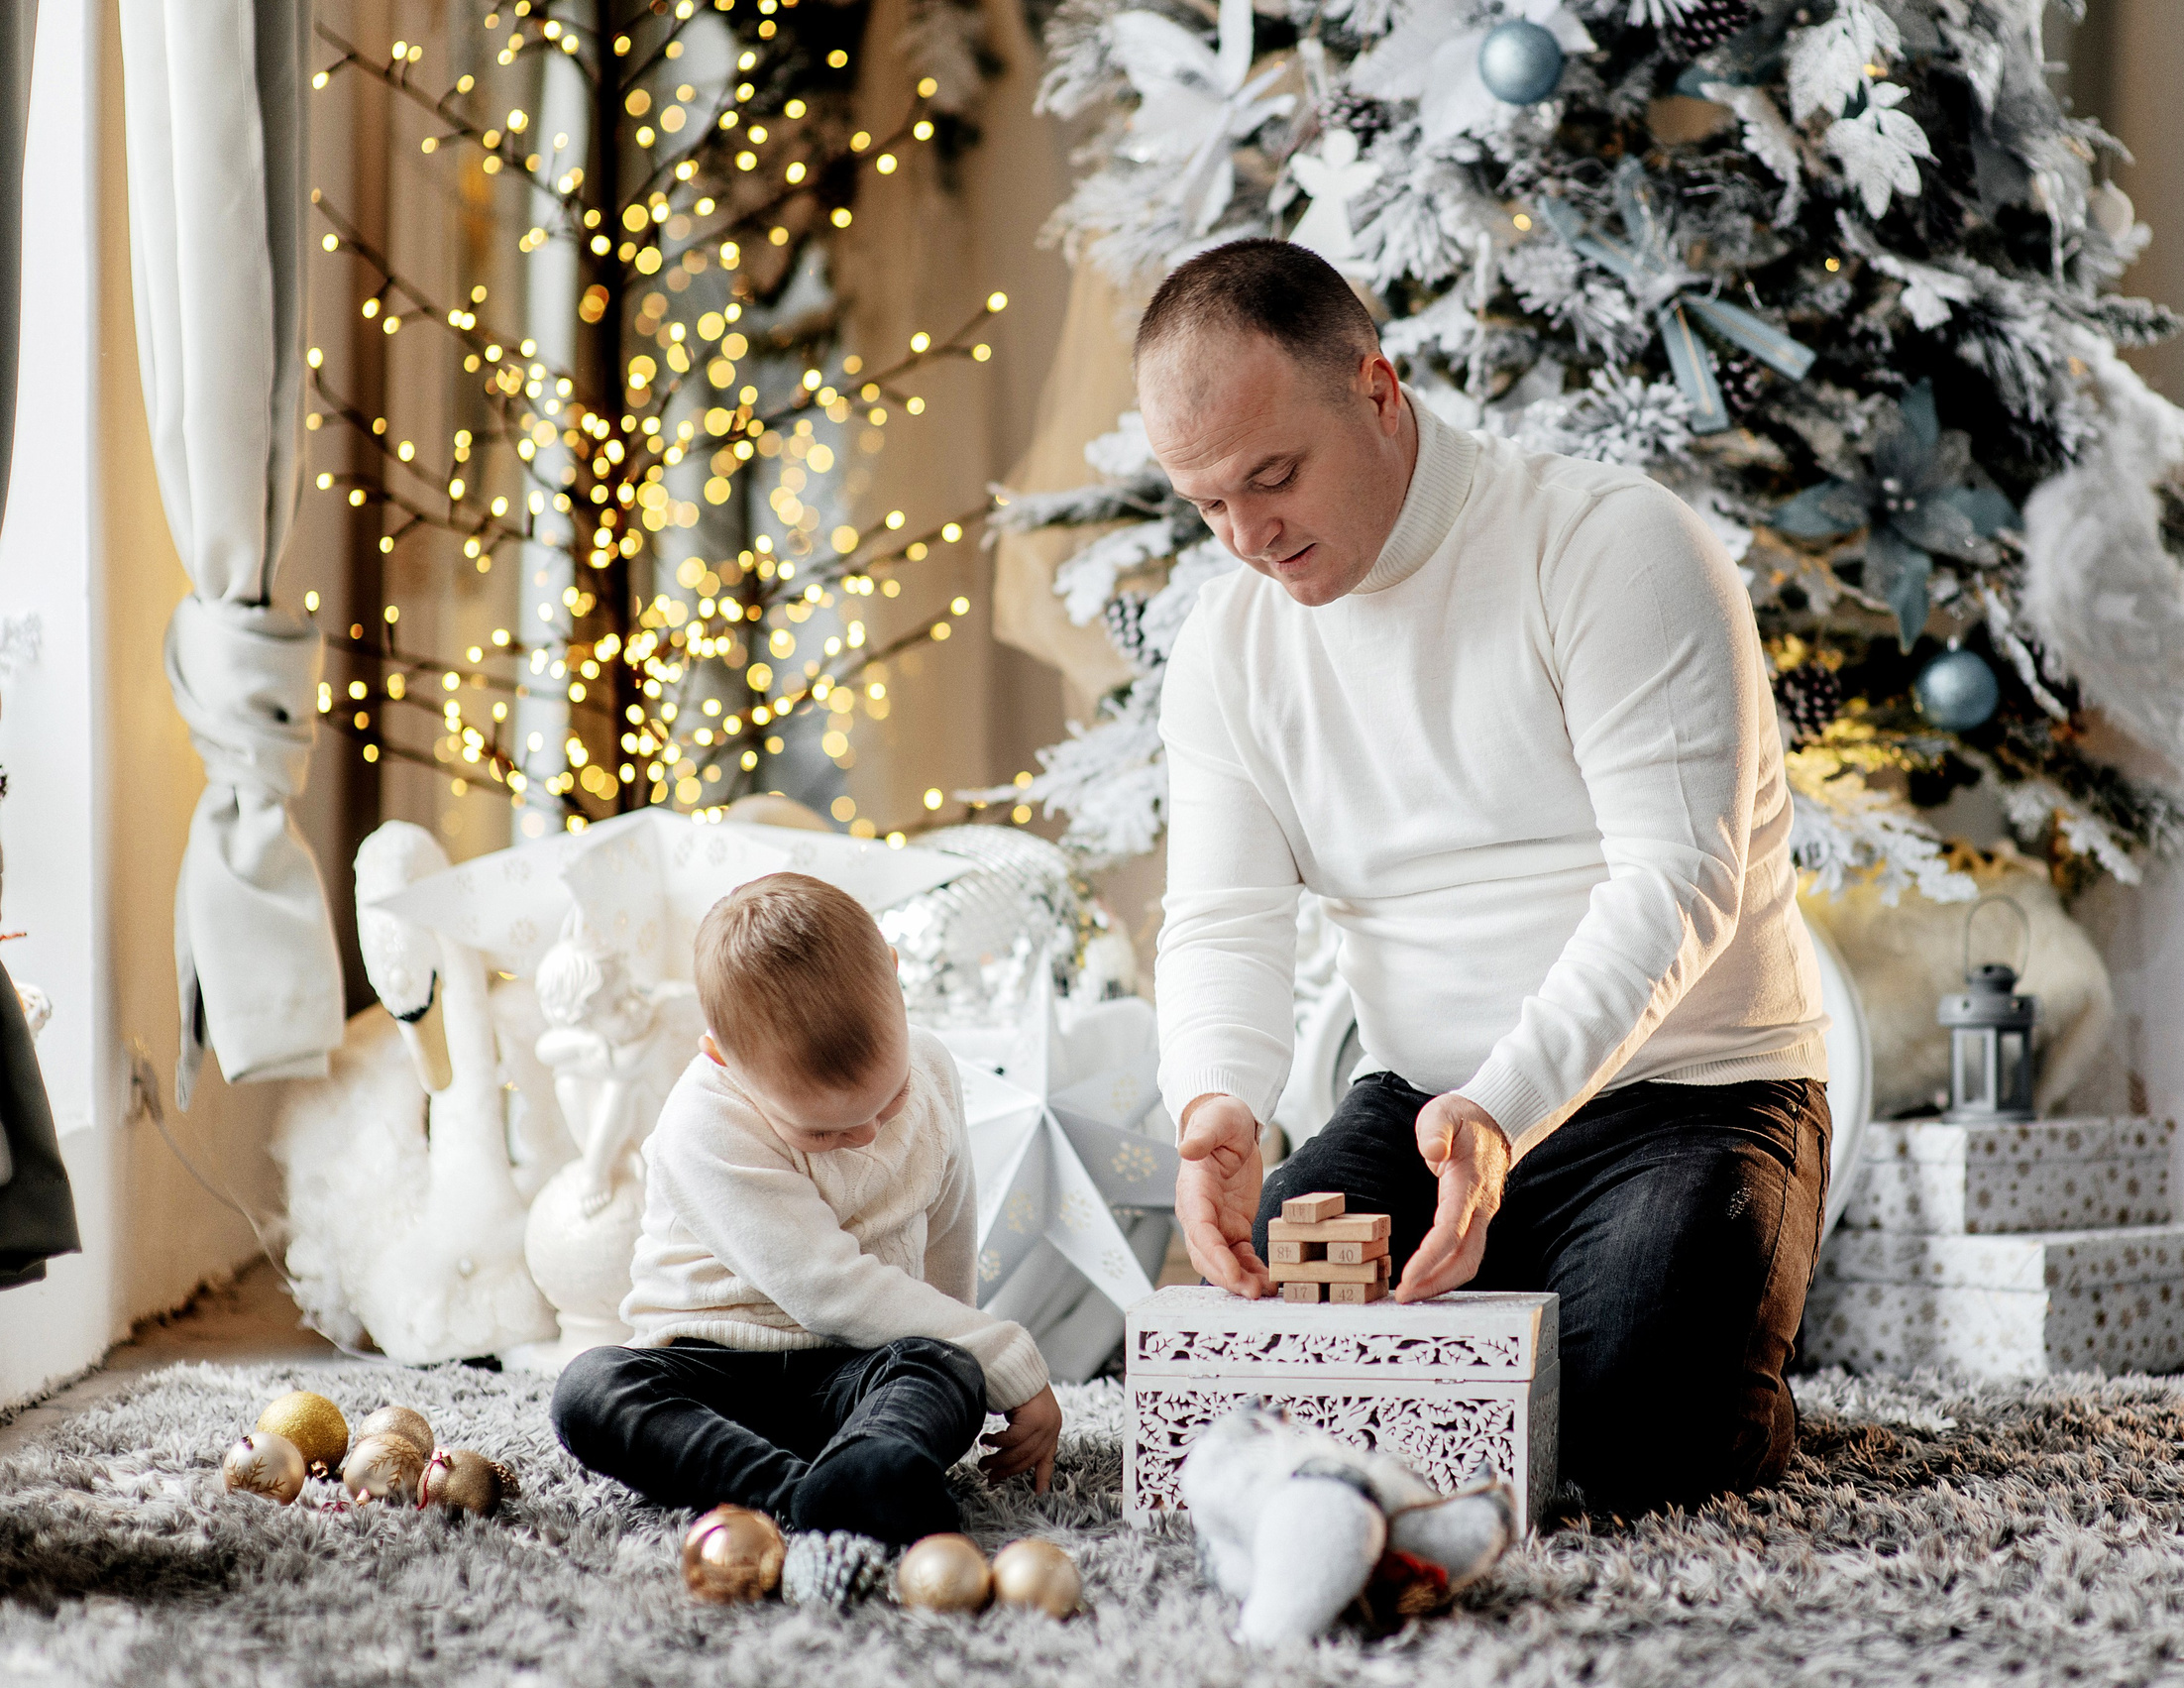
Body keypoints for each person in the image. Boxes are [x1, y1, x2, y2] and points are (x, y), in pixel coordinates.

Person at [1149, 239, 1831, 1517]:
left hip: (1689, 1091)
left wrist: (1503, 1111)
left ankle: (1720, 1328)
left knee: (1632, 1433)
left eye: (1272, 476)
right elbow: (1222, 916)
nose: (1248, 536)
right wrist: (1217, 1106)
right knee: (1271, 1378)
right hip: (1419, 1100)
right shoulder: (1227, 650)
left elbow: (1676, 881)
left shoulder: (1610, 547)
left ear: (1377, 386)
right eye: (1206, 504)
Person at [551, 872, 1061, 1543]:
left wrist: (965, 1358)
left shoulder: (933, 1068)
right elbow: (828, 1286)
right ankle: (804, 1493)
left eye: (890, 1098)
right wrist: (1008, 1354)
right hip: (714, 1374)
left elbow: (948, 1231)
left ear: (896, 979)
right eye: (823, 1132)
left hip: (854, 1369)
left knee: (947, 1367)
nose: (869, 1134)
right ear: (723, 1058)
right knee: (591, 1388)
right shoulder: (703, 1121)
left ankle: (868, 1457)